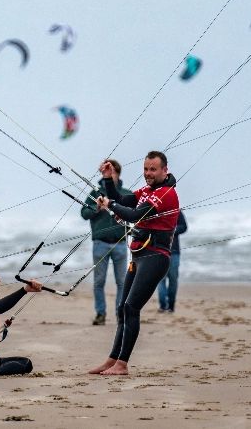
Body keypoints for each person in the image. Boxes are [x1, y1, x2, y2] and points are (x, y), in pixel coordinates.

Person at [89, 151, 180, 376]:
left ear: (164, 170)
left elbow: (134, 214)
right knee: (122, 308)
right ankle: (112, 360)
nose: (148, 173)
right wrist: (109, 180)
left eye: (153, 169)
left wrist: (110, 205)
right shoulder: (147, 191)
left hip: (156, 258)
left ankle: (123, 364)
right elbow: (123, 200)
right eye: (146, 169)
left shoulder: (166, 194)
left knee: (131, 307)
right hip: (140, 256)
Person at [81, 159, 133, 325]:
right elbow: (84, 213)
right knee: (99, 281)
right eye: (105, 172)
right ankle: (100, 314)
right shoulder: (95, 192)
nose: (109, 175)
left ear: (117, 174)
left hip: (120, 243)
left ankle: (120, 313)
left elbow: (134, 214)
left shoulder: (126, 193)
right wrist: (97, 208)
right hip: (100, 243)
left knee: (122, 282)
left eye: (111, 172)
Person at [156, 210, 187, 313]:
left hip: (174, 252)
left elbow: (184, 227)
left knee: (173, 280)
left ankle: (171, 305)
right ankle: (163, 305)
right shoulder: (156, 211)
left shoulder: (177, 211)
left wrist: (173, 230)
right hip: (159, 251)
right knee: (161, 280)